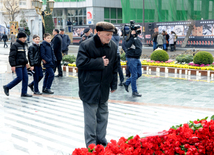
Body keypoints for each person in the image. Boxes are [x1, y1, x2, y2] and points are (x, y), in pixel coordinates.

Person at [76, 21, 118, 148]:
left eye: (111, 35)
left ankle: (101, 139)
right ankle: (91, 143)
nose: (109, 37)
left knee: (103, 115)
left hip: (104, 87)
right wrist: (100, 62)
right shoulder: (86, 45)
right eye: (107, 35)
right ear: (98, 33)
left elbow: (114, 66)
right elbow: (80, 63)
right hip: (89, 87)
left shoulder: (113, 46)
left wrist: (113, 84)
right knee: (91, 119)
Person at [3, 32, 32, 97]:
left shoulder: (23, 45)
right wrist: (13, 65)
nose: (25, 39)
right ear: (20, 38)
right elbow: (11, 56)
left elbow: (24, 56)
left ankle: (24, 93)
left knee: (26, 78)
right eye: (24, 38)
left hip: (23, 65)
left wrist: (26, 62)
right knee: (19, 78)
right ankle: (7, 87)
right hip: (17, 65)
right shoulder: (15, 45)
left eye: (25, 38)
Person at [123, 27, 142, 97]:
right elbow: (127, 45)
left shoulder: (136, 37)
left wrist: (135, 35)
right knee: (134, 75)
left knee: (139, 74)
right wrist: (131, 35)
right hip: (131, 58)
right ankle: (134, 91)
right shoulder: (128, 38)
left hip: (137, 58)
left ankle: (127, 83)